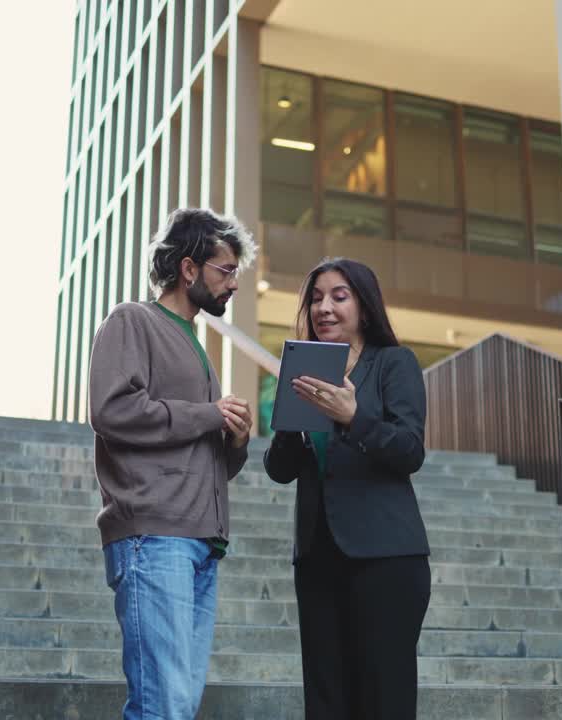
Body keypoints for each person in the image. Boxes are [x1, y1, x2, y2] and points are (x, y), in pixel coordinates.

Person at [88, 207, 257, 720]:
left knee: (177, 704)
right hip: (152, 538)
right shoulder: (132, 320)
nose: (233, 284)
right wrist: (207, 414)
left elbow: (206, 462)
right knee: (163, 704)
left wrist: (235, 438)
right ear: (189, 269)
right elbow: (112, 411)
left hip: (199, 544)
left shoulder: (196, 346)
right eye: (225, 270)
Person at [263, 257, 431, 719]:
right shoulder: (305, 375)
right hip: (318, 558)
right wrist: (290, 419)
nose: (324, 308)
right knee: (326, 699)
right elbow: (279, 469)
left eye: (339, 296)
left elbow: (409, 450)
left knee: (384, 698)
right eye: (316, 298)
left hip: (386, 558)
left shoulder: (393, 363)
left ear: (364, 305)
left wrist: (353, 417)